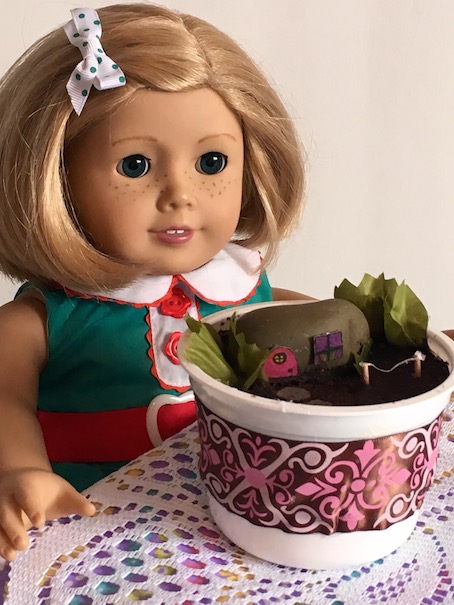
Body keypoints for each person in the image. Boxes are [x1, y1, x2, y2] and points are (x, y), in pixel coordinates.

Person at [0, 3, 306, 560]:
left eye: (211, 162)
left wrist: (392, 335)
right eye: (135, 166)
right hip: (85, 525)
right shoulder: (44, 321)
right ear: (56, 177)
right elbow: (5, 400)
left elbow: (302, 321)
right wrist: (19, 469)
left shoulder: (235, 285)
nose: (180, 195)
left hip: (217, 522)